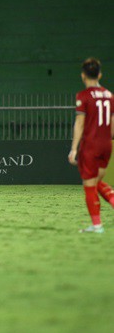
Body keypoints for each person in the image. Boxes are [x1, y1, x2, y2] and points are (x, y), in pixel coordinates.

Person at [68, 58, 114, 234]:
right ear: (100, 74)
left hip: (91, 145)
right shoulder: (110, 95)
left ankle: (97, 226)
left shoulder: (83, 96)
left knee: (89, 185)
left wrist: (74, 149)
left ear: (83, 75)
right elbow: (112, 124)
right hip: (106, 145)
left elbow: (79, 124)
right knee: (98, 182)